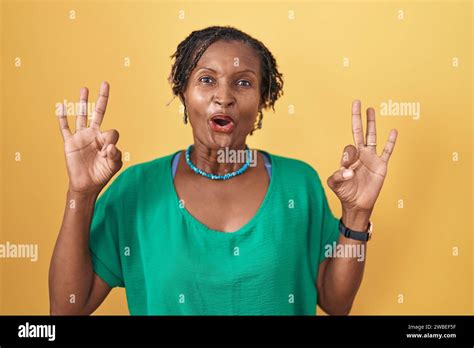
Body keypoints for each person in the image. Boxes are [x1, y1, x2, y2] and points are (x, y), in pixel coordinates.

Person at [49, 26, 398, 315]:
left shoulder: (299, 184)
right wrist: (80, 193)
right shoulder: (137, 190)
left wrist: (357, 214)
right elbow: (66, 309)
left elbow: (336, 303)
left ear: (262, 101)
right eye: (206, 80)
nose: (224, 96)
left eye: (243, 83)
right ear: (183, 92)